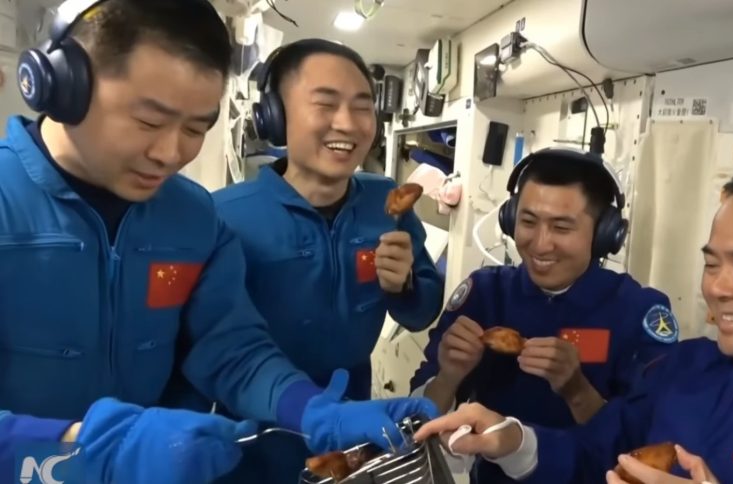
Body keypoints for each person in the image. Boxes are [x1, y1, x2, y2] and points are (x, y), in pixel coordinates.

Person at [0, 1, 435, 482]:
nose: (170, 154)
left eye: (195, 128)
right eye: (148, 121)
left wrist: (315, 411)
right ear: (63, 86)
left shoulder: (191, 216)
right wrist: (77, 448)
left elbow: (230, 349)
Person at [413, 162, 733, 483]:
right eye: (712, 265)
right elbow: (600, 451)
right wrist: (513, 440)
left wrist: (574, 387)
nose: (718, 288)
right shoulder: (687, 367)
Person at [211, 38, 445, 481]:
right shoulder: (225, 215)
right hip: (254, 426)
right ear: (275, 116)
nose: (348, 124)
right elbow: (210, 345)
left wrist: (406, 287)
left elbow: (420, 313)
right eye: (325, 104)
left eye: (362, 107)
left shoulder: (385, 200)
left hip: (354, 414)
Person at [410, 148, 679, 483]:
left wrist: (577, 391)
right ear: (509, 219)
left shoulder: (638, 311)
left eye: (561, 228)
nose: (540, 244)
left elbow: (650, 448)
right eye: (528, 222)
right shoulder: (485, 294)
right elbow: (415, 425)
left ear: (604, 234)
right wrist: (448, 378)